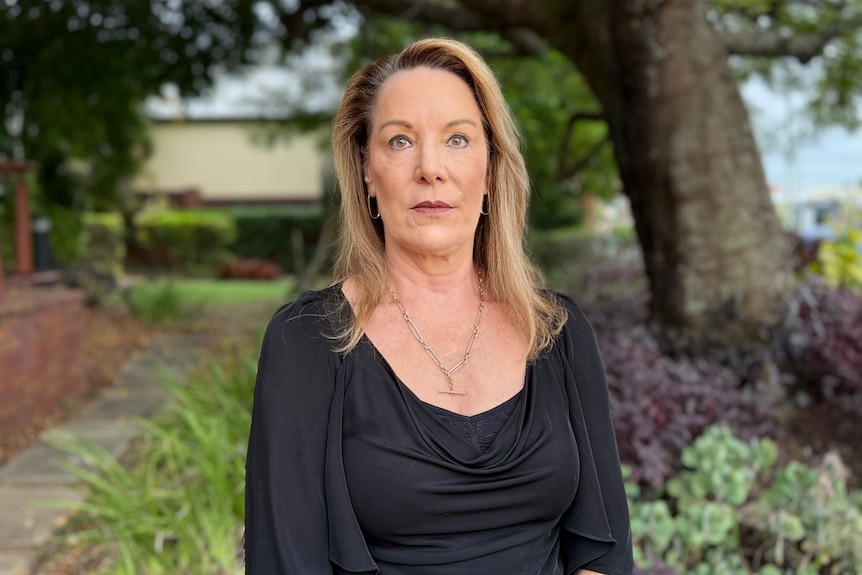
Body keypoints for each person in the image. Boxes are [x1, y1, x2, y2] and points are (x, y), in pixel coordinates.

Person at [244, 37, 633, 575]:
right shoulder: (308, 340)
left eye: (457, 139)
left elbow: (604, 554)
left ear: (491, 168)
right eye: (400, 141)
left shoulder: (558, 332)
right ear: (366, 171)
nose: (430, 168)